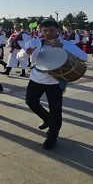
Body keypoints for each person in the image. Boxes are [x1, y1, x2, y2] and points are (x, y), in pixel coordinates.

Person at [23, 19, 87, 150]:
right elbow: (20, 56)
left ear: (57, 30)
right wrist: (26, 53)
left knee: (55, 110)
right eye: (45, 31)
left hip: (55, 81)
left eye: (51, 30)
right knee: (30, 101)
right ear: (40, 30)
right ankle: (47, 118)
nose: (48, 33)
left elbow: (84, 56)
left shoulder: (65, 43)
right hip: (36, 78)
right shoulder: (33, 42)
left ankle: (52, 136)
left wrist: (61, 47)